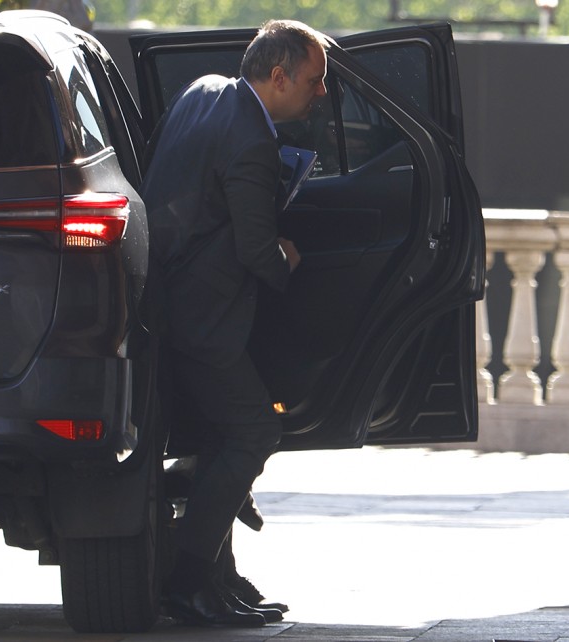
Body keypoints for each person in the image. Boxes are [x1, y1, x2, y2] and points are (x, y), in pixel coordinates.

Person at [140, 19, 329, 627]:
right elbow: (255, 251)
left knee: (222, 441)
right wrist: (288, 260)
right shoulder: (254, 139)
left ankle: (218, 580)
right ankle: (188, 581)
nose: (319, 93)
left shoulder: (202, 91)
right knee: (253, 433)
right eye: (313, 80)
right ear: (278, 77)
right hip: (206, 319)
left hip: (171, 301)